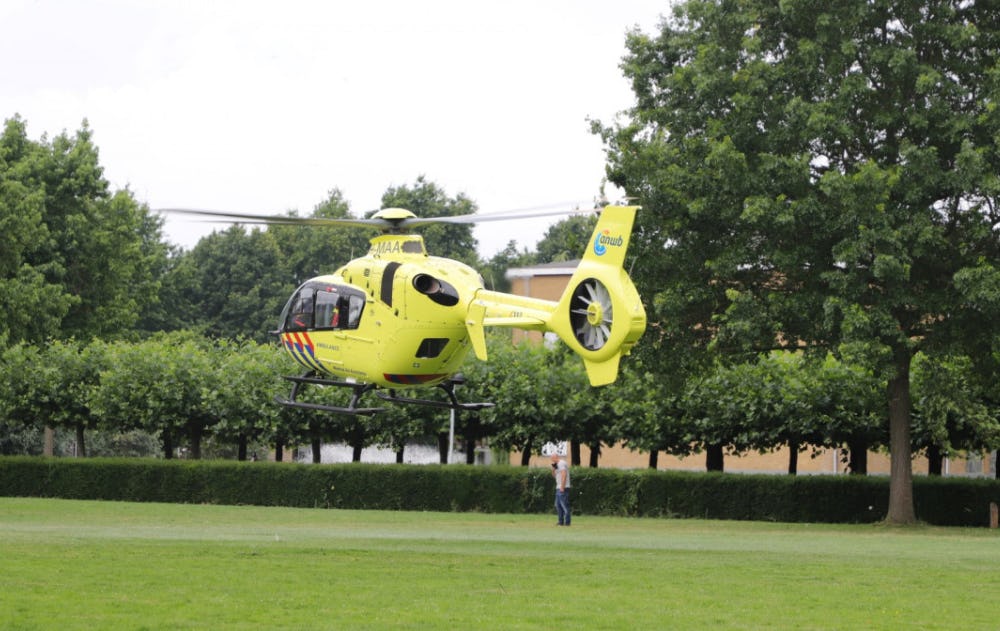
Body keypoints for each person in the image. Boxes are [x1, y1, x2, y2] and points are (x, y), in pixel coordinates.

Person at [551, 452, 571, 526]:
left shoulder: (562, 463)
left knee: (564, 505)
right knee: (558, 505)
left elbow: (564, 475)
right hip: (558, 487)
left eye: (552, 458)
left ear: (556, 457)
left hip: (563, 487)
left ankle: (567, 522)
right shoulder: (556, 465)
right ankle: (560, 522)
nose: (552, 460)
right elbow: (554, 476)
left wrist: (562, 486)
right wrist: (553, 469)